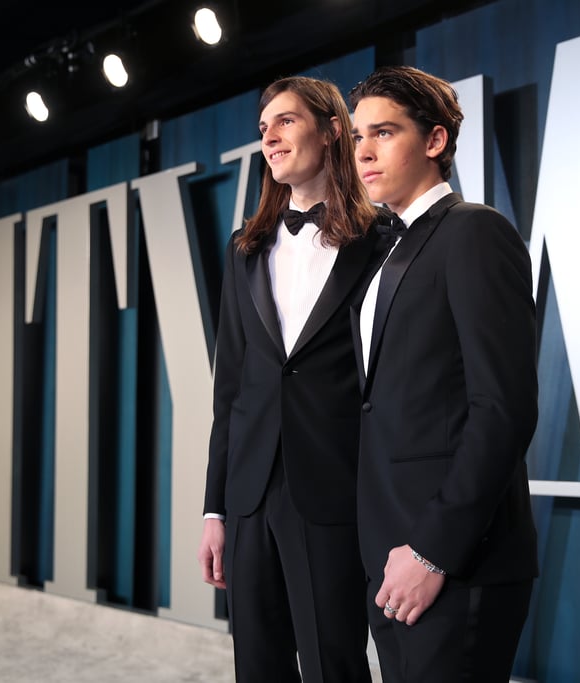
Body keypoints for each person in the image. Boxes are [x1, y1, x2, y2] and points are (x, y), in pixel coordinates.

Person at [349, 65, 539, 682]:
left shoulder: (475, 231)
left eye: (383, 132)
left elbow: (503, 408)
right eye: (356, 137)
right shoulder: (387, 251)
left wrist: (433, 550)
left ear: (434, 141)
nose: (364, 151)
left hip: (455, 559)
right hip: (392, 553)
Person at [198, 76, 382, 683]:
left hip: (333, 489)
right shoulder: (244, 249)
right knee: (257, 666)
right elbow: (231, 389)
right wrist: (214, 511)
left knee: (335, 665)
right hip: (249, 494)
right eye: (263, 128)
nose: (270, 138)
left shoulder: (382, 242)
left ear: (332, 131)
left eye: (285, 121)